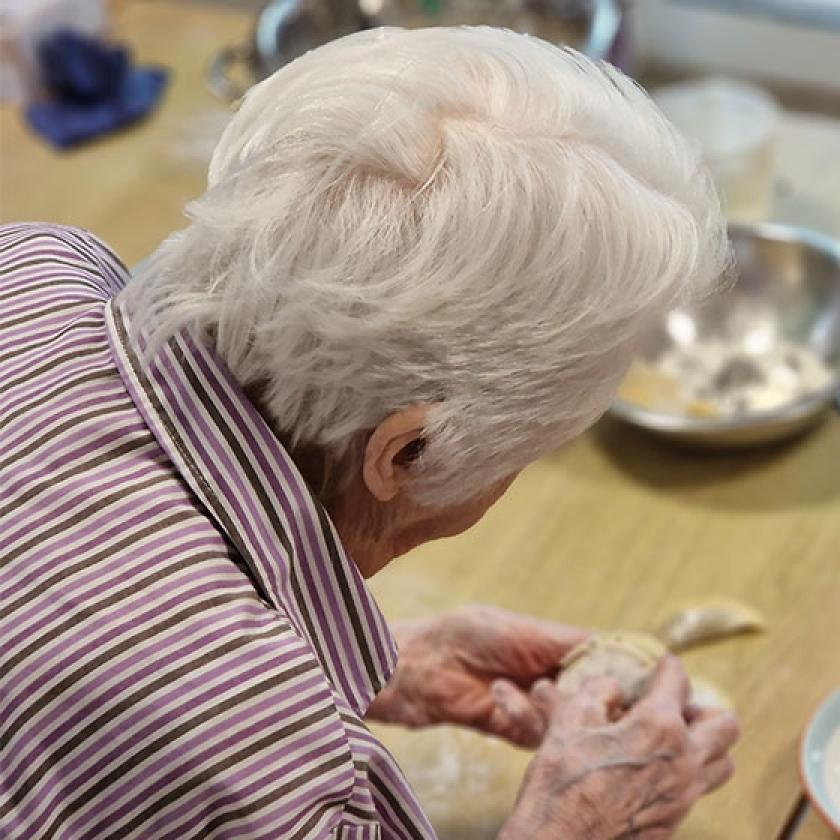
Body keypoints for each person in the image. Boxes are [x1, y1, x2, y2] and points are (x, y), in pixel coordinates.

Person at [0, 25, 738, 840]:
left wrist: (362, 664)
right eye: (536, 448)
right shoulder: (277, 778)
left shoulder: (37, 265)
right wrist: (570, 821)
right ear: (405, 451)